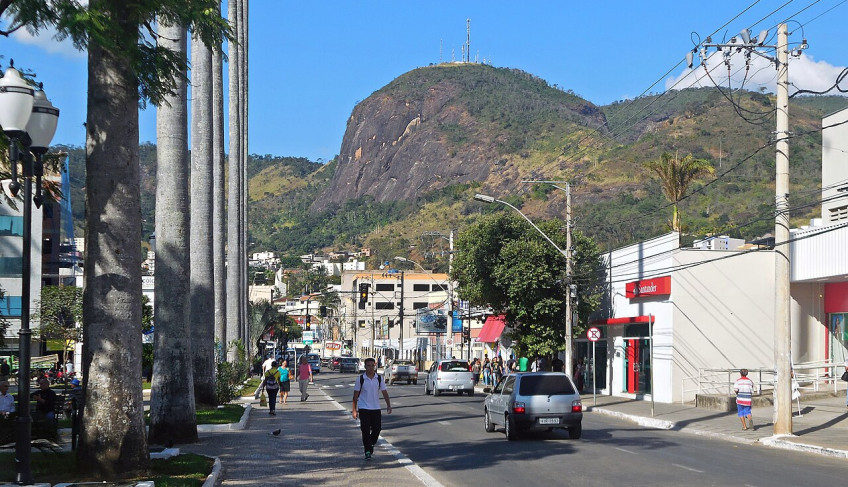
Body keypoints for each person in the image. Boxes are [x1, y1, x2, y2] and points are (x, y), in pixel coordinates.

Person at [351, 357, 392, 460]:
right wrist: (354, 410)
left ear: (375, 366)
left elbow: (384, 392)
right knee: (365, 430)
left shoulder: (379, 378)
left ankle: (372, 444)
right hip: (364, 408)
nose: (370, 368)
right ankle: (367, 451)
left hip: (376, 408)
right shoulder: (360, 379)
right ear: (365, 367)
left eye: (372, 366)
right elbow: (355, 396)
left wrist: (388, 405)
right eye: (368, 366)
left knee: (377, 429)